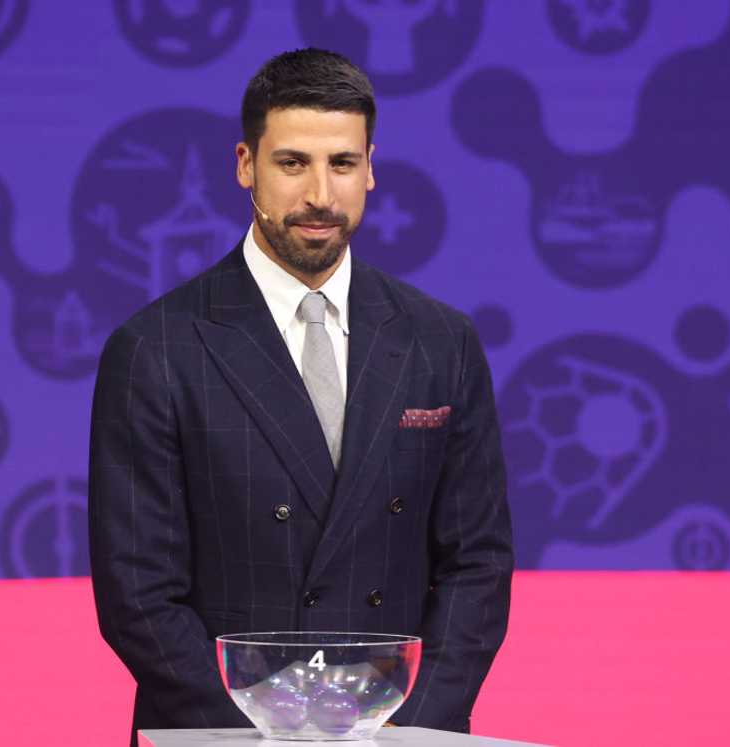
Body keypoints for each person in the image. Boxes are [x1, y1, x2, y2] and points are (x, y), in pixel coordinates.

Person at [88, 48, 513, 746]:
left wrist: (414, 728)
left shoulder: (442, 341)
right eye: (292, 163)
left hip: (396, 733)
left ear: (371, 168)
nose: (320, 193)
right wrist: (262, 739)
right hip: (218, 735)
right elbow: (138, 594)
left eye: (342, 163)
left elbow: (478, 563)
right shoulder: (156, 347)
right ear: (245, 165)